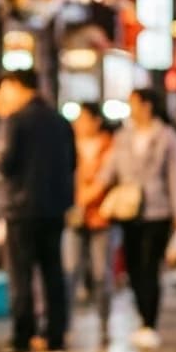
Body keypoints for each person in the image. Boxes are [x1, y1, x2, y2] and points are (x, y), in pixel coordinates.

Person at [0, 71, 76, 352]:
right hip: (54, 208)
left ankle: (23, 336)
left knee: (22, 275)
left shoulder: (15, 120)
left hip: (21, 209)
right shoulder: (60, 121)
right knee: (53, 272)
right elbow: (72, 163)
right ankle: (56, 334)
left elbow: (5, 163)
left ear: (18, 86)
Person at [100, 87, 176, 348]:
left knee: (150, 265)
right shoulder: (123, 136)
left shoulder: (167, 137)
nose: (131, 109)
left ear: (147, 106)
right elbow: (110, 169)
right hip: (128, 210)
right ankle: (142, 315)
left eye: (134, 103)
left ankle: (150, 322)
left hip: (158, 211)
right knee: (133, 266)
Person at [70, 106, 118, 329]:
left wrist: (84, 198)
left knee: (101, 272)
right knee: (70, 269)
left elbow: (107, 178)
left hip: (101, 216)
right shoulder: (70, 144)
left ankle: (104, 320)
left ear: (96, 121)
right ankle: (65, 322)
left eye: (83, 118)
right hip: (73, 217)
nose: (79, 123)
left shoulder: (110, 145)